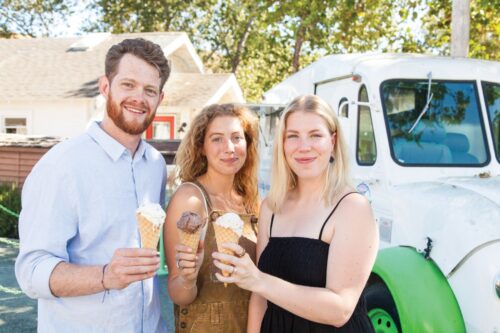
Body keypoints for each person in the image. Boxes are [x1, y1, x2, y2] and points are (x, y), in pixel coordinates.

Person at [15, 38, 170, 332]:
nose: (139, 97)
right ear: (105, 87)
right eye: (128, 84)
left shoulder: (155, 165)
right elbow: (31, 270)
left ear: (160, 100)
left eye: (149, 90)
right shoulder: (61, 165)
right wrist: (105, 276)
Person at [212, 95, 379, 332]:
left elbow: (340, 310)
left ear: (332, 141)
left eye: (315, 135)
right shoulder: (272, 206)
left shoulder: (352, 207)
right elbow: (259, 298)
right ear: (282, 144)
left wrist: (260, 281)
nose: (304, 147)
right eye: (293, 136)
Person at [163, 103, 260, 332]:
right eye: (217, 139)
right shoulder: (191, 199)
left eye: (237, 137)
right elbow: (178, 294)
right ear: (202, 147)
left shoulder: (252, 201)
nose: (229, 148)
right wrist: (187, 278)